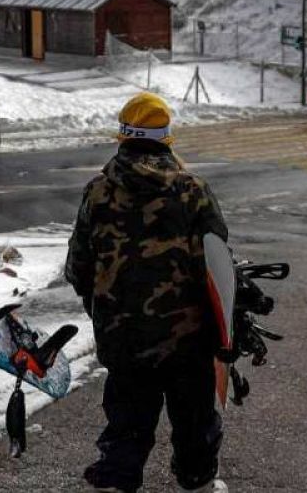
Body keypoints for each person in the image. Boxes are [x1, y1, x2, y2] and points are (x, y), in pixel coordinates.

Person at [67, 92, 230, 493]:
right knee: (195, 427)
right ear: (165, 140)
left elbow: (78, 268)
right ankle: (198, 482)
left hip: (122, 341)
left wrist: (106, 311)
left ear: (122, 137)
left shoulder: (98, 192)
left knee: (125, 429)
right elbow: (217, 265)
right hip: (187, 344)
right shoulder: (194, 191)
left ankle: (114, 484)